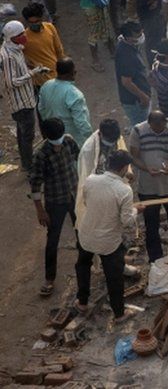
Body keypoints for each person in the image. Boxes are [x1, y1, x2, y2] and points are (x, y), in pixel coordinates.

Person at [75, 150, 141, 320]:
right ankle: (119, 313)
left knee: (83, 267)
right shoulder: (124, 190)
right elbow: (126, 221)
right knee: (114, 277)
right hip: (108, 241)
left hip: (86, 234)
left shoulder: (91, 180)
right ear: (124, 167)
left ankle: (82, 302)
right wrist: (135, 210)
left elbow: (87, 202)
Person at [129, 110, 168, 264]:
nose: (158, 132)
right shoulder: (138, 131)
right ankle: (155, 260)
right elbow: (133, 156)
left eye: (161, 128)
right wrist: (146, 168)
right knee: (151, 227)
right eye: (154, 129)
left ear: (165, 122)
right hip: (148, 189)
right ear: (149, 124)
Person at [30, 117, 80, 297]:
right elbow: (35, 183)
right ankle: (49, 278)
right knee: (53, 240)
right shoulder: (41, 154)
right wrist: (40, 210)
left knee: (81, 231)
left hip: (73, 195)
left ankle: (86, 265)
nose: (58, 142)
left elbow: (77, 156)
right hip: (54, 200)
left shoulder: (68, 141)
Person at [0, 20, 45, 171]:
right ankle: (29, 165)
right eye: (20, 35)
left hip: (26, 97)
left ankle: (27, 160)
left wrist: (32, 67)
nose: (24, 36)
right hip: (20, 103)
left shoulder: (15, 49)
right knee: (28, 135)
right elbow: (11, 82)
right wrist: (32, 73)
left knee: (22, 133)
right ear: (12, 37)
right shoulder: (7, 56)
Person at [38, 57, 93, 144]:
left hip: (54, 138)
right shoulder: (74, 94)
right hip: (73, 141)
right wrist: (91, 139)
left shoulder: (46, 86)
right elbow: (81, 123)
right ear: (72, 73)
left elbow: (42, 109)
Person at [116, 21, 152, 125]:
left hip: (139, 95)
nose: (141, 37)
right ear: (128, 37)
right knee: (142, 128)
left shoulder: (128, 45)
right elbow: (126, 82)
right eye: (138, 35)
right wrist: (143, 97)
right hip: (135, 101)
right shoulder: (126, 55)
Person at [21, 2, 64, 89]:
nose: (34, 24)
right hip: (40, 82)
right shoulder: (23, 38)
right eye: (31, 22)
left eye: (37, 21)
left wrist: (64, 69)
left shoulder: (50, 27)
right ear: (27, 22)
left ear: (42, 18)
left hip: (57, 74)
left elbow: (59, 50)